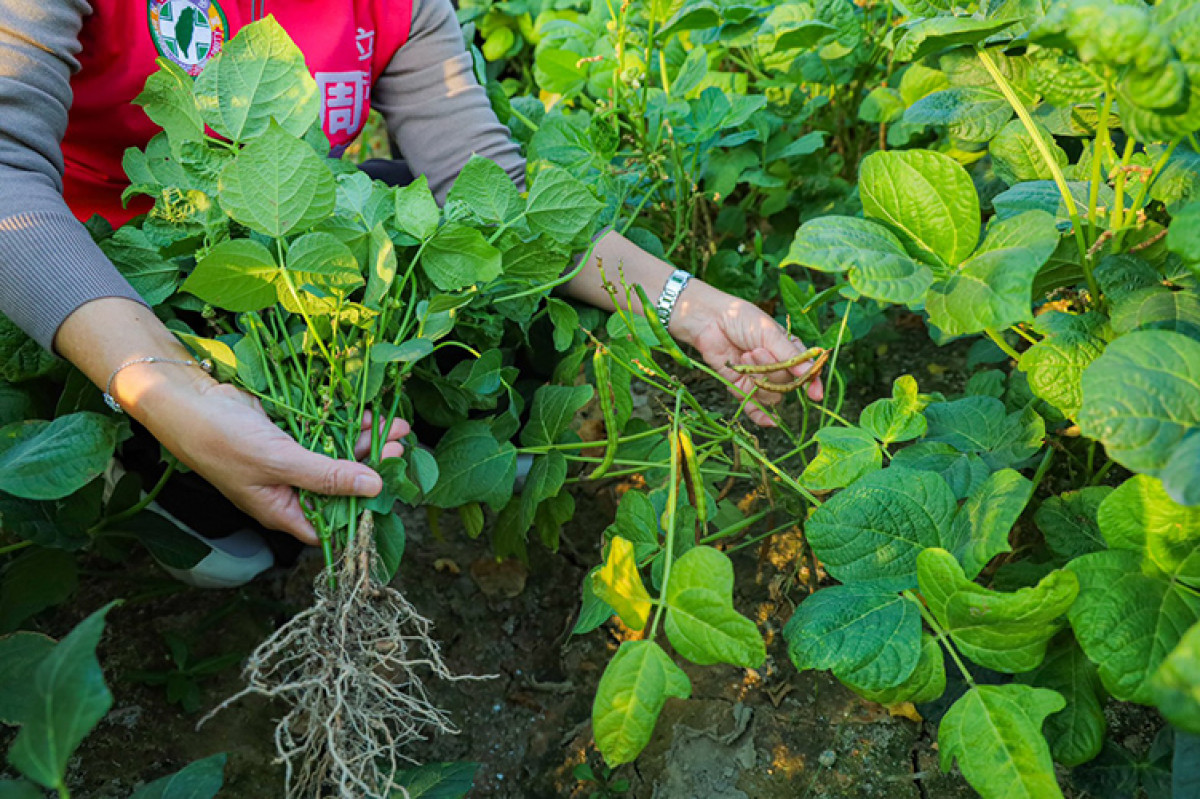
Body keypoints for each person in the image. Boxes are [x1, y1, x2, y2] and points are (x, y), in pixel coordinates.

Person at [0, 0, 822, 586]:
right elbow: (7, 181)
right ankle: (109, 442)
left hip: (277, 265)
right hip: (109, 279)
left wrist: (694, 303)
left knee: (454, 243)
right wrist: (161, 385)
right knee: (232, 552)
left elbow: (487, 183)